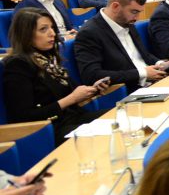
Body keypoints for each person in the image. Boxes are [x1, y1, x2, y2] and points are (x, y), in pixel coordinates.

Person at [2, 8, 107, 141]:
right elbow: (24, 116)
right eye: (43, 29)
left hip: (73, 118)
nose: (52, 33)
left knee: (117, 119)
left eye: (52, 27)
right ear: (26, 34)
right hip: (50, 131)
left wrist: (93, 90)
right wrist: (72, 98)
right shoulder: (17, 65)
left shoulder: (48, 58)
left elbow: (72, 92)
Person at [74, 0, 169, 94]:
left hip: (152, 84)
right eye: (134, 12)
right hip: (128, 92)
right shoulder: (89, 33)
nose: (137, 18)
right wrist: (142, 73)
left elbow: (143, 56)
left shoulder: (127, 21)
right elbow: (92, 76)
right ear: (115, 7)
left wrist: (161, 64)